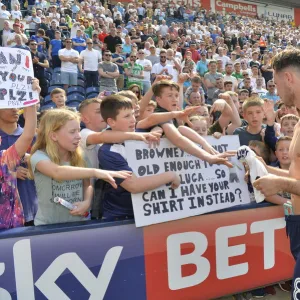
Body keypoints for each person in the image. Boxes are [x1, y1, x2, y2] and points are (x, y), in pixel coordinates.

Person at [251, 50, 300, 300]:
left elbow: (290, 180)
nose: (276, 91)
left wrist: (279, 182)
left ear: (288, 78)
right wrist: (262, 166)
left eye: (276, 84)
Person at [29, 109, 132, 226]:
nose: (78, 136)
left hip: (80, 225)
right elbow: (57, 172)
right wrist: (96, 172)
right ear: (53, 135)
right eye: (72, 132)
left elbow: (87, 184)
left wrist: (87, 202)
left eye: (79, 130)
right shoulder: (39, 157)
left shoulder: (80, 155)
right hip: (47, 227)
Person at [98, 94, 180, 221]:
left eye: (132, 114)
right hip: (121, 218)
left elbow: (155, 125)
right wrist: (171, 176)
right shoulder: (107, 151)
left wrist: (157, 129)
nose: (133, 120)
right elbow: (134, 186)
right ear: (111, 122)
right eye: (126, 116)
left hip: (152, 212)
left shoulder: (140, 133)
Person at [0, 79, 40, 229]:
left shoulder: (33, 137)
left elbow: (50, 167)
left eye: (17, 105)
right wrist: (9, 173)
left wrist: (33, 163)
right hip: (5, 215)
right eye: (9, 106)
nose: (15, 109)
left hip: (32, 207)